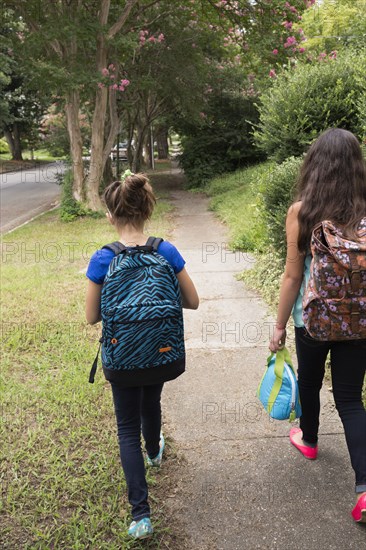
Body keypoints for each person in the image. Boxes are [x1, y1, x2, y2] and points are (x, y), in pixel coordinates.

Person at [85, 171, 199, 539]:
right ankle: (155, 451)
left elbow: (91, 316)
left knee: (125, 429)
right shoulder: (165, 250)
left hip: (122, 358)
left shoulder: (103, 258)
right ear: (149, 209)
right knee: (153, 399)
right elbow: (193, 302)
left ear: (110, 216)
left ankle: (140, 516)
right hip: (163, 352)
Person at [269, 128, 366, 522]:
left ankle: (309, 440)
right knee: (350, 399)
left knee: (308, 383)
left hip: (312, 320)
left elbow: (293, 276)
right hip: (359, 322)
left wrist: (277, 327)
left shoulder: (302, 211)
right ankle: (364, 490)